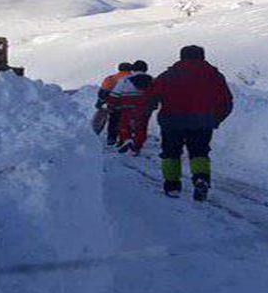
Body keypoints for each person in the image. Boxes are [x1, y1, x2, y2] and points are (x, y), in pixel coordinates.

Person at [148, 45, 233, 201]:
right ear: (202, 56)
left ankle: (172, 186)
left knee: (171, 153)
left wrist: (151, 108)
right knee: (199, 152)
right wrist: (215, 119)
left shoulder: (168, 75)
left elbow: (152, 95)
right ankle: (201, 178)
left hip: (171, 121)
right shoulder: (214, 75)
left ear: (181, 57)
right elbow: (226, 101)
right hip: (202, 121)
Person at [110, 60, 154, 155]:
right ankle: (137, 145)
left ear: (133, 69)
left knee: (124, 124)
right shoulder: (152, 80)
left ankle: (127, 139)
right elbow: (156, 94)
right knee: (142, 127)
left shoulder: (125, 79)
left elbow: (115, 94)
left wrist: (112, 103)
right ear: (146, 69)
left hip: (127, 107)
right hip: (144, 108)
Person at [97, 62, 133, 146]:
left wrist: (100, 103)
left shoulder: (111, 78)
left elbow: (103, 92)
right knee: (128, 122)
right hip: (132, 105)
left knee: (113, 121)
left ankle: (111, 138)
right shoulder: (134, 78)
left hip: (115, 104)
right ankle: (126, 138)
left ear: (119, 69)